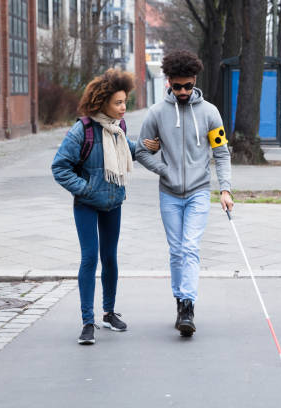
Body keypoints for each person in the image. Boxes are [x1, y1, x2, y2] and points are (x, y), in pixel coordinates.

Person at [51, 69, 159, 345]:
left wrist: (144, 147)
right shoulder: (82, 130)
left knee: (109, 258)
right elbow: (59, 167)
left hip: (113, 202)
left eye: (125, 102)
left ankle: (109, 313)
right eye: (118, 103)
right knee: (90, 258)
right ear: (102, 103)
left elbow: (121, 150)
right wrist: (86, 189)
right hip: (87, 204)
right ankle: (88, 321)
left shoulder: (118, 128)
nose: (124, 108)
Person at [136, 50, 234, 337]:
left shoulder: (209, 113)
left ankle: (188, 305)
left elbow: (221, 153)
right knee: (177, 250)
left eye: (187, 86)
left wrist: (225, 189)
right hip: (168, 193)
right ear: (168, 82)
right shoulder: (156, 113)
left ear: (195, 81)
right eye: (176, 86)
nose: (181, 91)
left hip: (198, 192)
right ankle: (180, 300)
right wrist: (163, 169)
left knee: (190, 247)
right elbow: (141, 151)